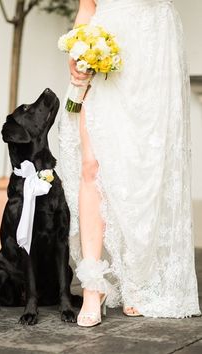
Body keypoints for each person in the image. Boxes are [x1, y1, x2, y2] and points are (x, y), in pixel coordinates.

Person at [58, 0, 201, 327]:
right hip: (103, 51)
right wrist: (77, 50)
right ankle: (93, 284)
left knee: (143, 168)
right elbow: (87, 7)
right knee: (91, 164)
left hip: (152, 54)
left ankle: (138, 280)